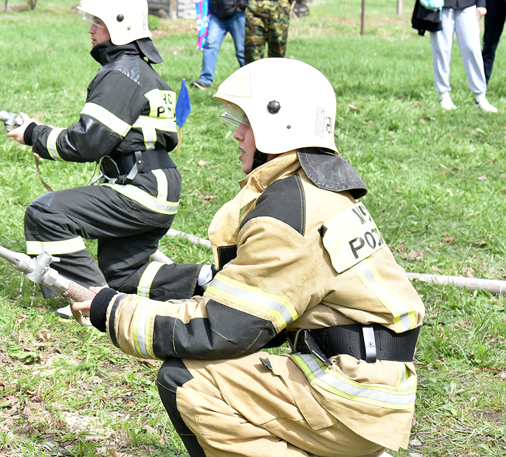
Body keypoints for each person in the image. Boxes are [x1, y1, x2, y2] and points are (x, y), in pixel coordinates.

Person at [73, 59, 425, 457]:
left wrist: (113, 309)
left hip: (350, 397)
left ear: (281, 125)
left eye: (247, 123)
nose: (237, 135)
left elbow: (222, 330)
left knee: (187, 380)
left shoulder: (289, 213)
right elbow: (253, 318)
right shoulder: (319, 192)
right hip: (369, 388)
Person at [7, 0, 205, 316]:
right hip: (158, 186)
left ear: (119, 24)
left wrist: (34, 134)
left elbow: (88, 142)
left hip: (140, 189)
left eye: (97, 22)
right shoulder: (143, 73)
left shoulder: (121, 74)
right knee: (122, 274)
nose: (91, 29)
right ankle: (203, 280)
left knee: (46, 213)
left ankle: (88, 302)